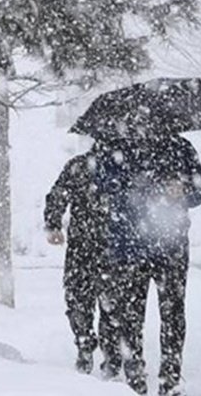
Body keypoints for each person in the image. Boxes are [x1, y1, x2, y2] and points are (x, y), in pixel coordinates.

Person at [94, 134, 201, 396]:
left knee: (173, 315)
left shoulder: (181, 148)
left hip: (172, 248)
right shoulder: (117, 148)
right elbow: (101, 184)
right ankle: (135, 380)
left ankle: (171, 380)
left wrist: (184, 190)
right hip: (131, 248)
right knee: (131, 317)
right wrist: (132, 185)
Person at [44, 146, 120, 377]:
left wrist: (54, 223)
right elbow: (58, 195)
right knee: (108, 303)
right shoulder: (120, 166)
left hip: (87, 245)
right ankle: (105, 352)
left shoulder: (80, 166)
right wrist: (53, 223)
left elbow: (58, 194)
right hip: (109, 246)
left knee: (82, 300)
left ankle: (89, 346)